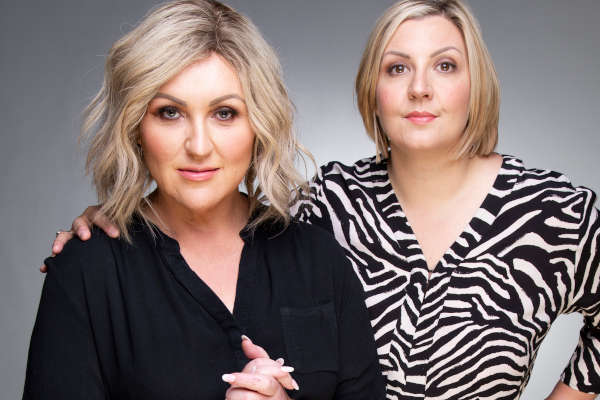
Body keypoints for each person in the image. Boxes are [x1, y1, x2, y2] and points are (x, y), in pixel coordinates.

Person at [47, 0, 600, 399]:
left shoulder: (555, 214)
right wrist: (114, 219)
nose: (420, 88)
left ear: (477, 85)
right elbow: (209, 211)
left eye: (446, 65)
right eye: (397, 67)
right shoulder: (326, 207)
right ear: (372, 91)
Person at [24, 1, 384, 399]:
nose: (198, 146)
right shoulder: (86, 272)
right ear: (135, 126)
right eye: (170, 113)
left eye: (225, 113)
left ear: (259, 124)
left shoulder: (319, 260)